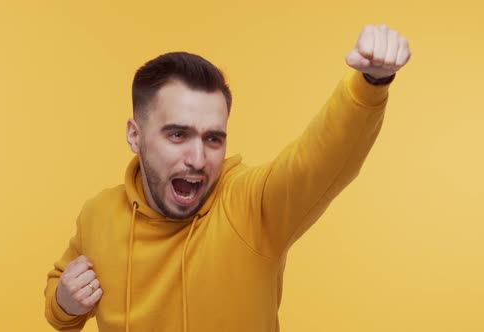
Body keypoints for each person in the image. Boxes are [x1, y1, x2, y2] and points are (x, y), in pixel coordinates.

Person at [44, 24, 411, 332]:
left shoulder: (250, 206)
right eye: (177, 135)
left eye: (213, 138)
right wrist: (64, 301)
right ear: (135, 135)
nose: (198, 159)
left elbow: (318, 161)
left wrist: (370, 83)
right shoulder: (98, 215)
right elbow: (60, 307)